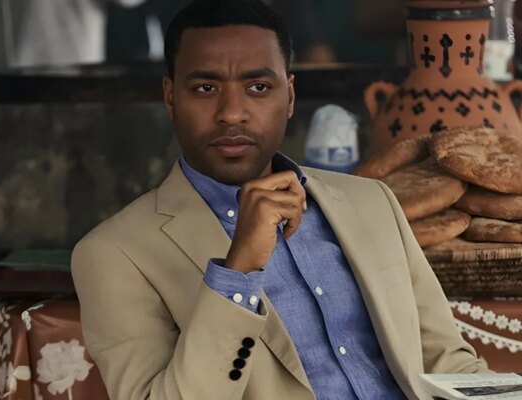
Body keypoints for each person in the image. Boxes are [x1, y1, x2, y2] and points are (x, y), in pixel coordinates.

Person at [71, 1, 488, 399]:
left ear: (289, 96)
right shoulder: (113, 254)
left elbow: (448, 364)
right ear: (170, 98)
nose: (232, 112)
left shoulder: (371, 200)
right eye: (205, 87)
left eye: (258, 87)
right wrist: (237, 273)